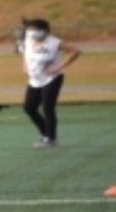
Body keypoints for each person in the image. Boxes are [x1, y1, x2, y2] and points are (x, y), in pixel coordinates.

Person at [21, 17, 80, 149]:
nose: (31, 33)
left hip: (52, 79)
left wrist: (58, 67)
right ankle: (45, 134)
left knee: (48, 107)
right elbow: (25, 53)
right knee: (29, 107)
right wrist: (25, 67)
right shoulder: (28, 40)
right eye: (29, 31)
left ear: (45, 31)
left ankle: (51, 139)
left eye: (35, 30)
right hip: (35, 79)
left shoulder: (54, 42)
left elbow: (76, 51)